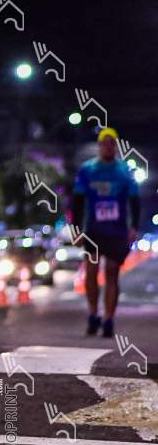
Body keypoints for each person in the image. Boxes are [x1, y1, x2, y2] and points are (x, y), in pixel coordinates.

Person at [71, 126, 140, 338]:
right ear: (99, 145)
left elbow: (135, 200)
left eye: (112, 143)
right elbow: (77, 201)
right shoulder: (87, 170)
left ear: (116, 147)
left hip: (117, 231)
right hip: (94, 229)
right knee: (91, 272)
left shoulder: (125, 171)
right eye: (105, 143)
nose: (108, 147)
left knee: (112, 272)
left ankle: (109, 318)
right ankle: (93, 313)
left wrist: (133, 227)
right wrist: (76, 229)